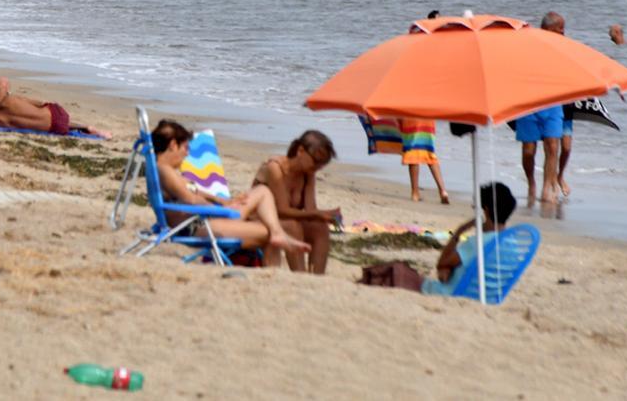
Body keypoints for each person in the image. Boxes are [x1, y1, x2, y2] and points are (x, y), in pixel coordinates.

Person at [153, 120, 309, 267]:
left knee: (262, 195)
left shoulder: (165, 171)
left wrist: (224, 202)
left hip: (201, 221)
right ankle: (272, 271)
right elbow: (192, 200)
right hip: (199, 226)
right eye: (186, 148)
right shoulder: (164, 170)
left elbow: (196, 191)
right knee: (266, 227)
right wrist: (223, 211)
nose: (187, 154)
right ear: (173, 145)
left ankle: (277, 236)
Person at [360, 183, 515, 295]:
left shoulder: (479, 242)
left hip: (451, 291)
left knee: (396, 269)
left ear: (486, 210)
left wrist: (459, 232)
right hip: (485, 295)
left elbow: (442, 262)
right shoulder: (512, 243)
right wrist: (446, 269)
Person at [252, 131, 340, 274]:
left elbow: (310, 209)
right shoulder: (275, 167)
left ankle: (317, 276)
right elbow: (281, 210)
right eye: (316, 161)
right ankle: (300, 274)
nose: (318, 167)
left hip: (284, 220)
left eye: (322, 164)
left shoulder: (308, 174)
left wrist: (326, 215)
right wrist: (317, 214)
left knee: (320, 227)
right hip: (261, 219)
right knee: (293, 226)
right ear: (300, 151)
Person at [514, 11, 568, 203]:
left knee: (553, 146)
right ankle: (531, 183)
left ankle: (547, 187)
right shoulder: (530, 44)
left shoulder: (564, 47)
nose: (563, 32)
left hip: (553, 102)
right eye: (560, 28)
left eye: (563, 28)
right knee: (529, 150)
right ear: (547, 29)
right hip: (529, 102)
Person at [400, 118, 449, 204]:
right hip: (428, 119)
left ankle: (415, 193)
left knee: (413, 152)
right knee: (429, 153)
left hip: (411, 116)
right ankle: (443, 191)